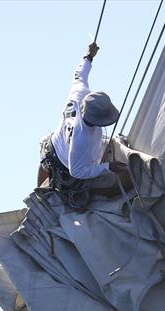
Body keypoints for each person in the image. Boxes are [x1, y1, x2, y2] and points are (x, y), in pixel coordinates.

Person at [38, 42, 128, 196]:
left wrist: (89, 57)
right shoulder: (82, 138)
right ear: (96, 120)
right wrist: (108, 167)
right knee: (114, 187)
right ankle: (46, 196)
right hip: (65, 164)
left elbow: (79, 75)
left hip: (54, 143)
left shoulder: (80, 94)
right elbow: (77, 171)